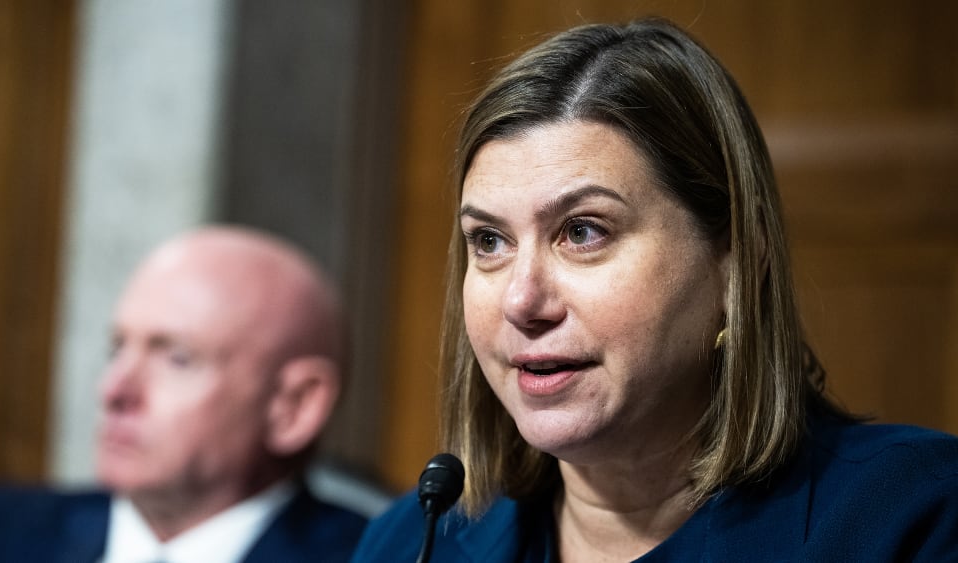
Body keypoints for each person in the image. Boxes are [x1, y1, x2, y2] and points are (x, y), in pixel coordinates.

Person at [351, 17, 958, 562]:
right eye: (488, 241)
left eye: (582, 232)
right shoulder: (411, 542)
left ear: (737, 263)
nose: (520, 301)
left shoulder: (913, 519)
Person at [0, 225, 368, 562]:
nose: (113, 390)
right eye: (117, 348)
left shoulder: (376, 556)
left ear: (294, 406)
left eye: (177, 358)